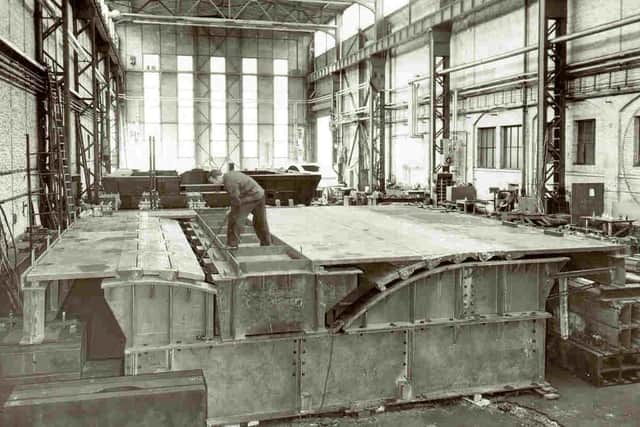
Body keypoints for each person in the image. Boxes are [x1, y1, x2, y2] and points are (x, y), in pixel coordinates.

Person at [208, 169, 272, 248]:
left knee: (235, 218)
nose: (214, 184)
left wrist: (232, 210)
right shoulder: (230, 175)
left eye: (213, 182)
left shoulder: (229, 182)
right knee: (260, 221)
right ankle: (266, 243)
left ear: (217, 178)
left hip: (251, 196)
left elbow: (236, 200)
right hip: (259, 194)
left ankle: (232, 244)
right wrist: (232, 207)